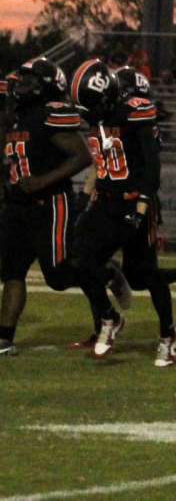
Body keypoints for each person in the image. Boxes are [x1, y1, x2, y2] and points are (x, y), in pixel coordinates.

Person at [68, 60, 176, 366]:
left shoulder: (135, 111)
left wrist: (141, 207)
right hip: (106, 200)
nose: (91, 113)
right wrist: (86, 196)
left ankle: (168, 335)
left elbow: (151, 168)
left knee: (145, 275)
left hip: (133, 201)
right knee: (78, 261)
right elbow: (102, 164)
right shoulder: (100, 114)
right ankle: (109, 318)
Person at [0, 59, 100, 355]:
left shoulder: (50, 114)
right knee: (12, 272)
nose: (21, 85)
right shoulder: (17, 116)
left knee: (58, 277)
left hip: (50, 202)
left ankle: (103, 270)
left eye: (29, 81)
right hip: (18, 205)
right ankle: (5, 338)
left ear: (46, 85)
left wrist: (42, 181)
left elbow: (82, 156)